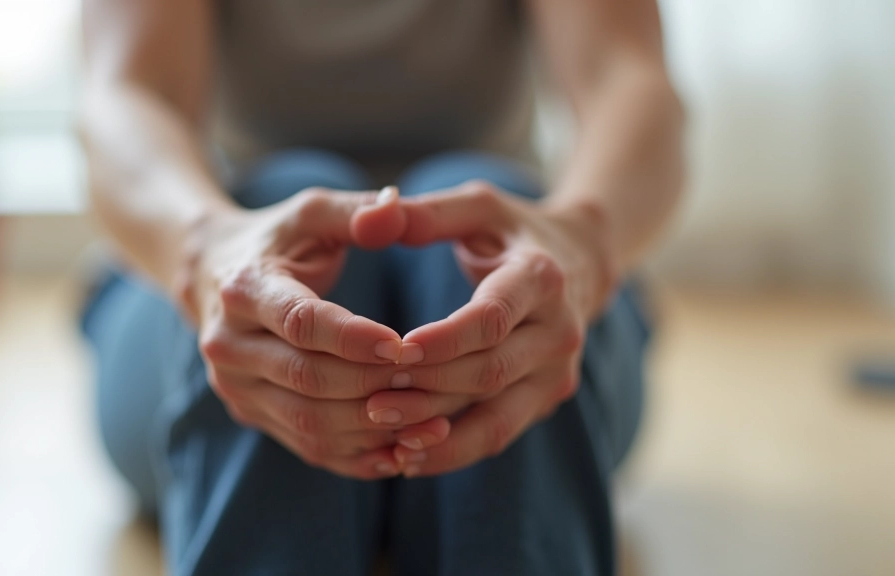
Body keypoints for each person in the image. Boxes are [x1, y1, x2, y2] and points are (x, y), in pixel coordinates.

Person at [79, 1, 683, 574]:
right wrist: (207, 249)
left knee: (473, 224)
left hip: (521, 307)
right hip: (212, 271)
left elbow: (626, 78)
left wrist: (578, 243)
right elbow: (128, 94)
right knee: (288, 197)